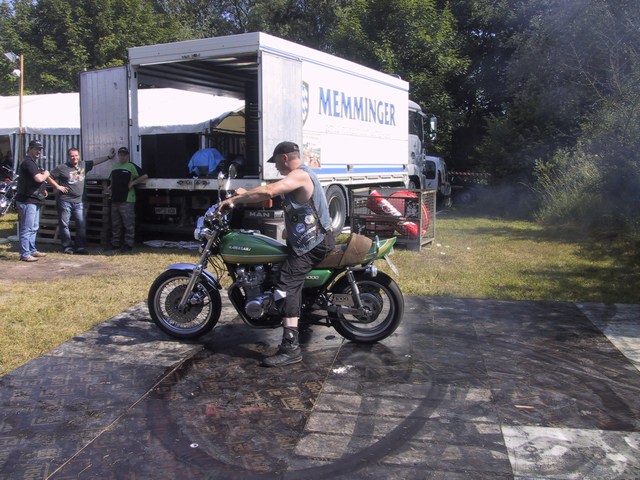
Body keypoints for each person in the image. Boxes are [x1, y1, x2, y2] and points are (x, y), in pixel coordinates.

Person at [218, 141, 334, 367]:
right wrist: (244, 195)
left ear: (284, 157)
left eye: (276, 162)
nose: (276, 166)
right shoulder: (296, 177)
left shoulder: (300, 175)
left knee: (286, 284)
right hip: (308, 241)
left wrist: (234, 200)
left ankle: (291, 349)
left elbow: (270, 190)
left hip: (314, 243)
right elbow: (267, 194)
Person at [50, 147, 116, 254]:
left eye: (76, 155)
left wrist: (108, 157)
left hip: (79, 201)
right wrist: (58, 187)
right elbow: (49, 176)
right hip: (65, 201)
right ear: (68, 156)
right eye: (72, 156)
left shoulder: (83, 165)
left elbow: (95, 161)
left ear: (79, 156)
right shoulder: (62, 167)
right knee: (64, 224)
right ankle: (67, 247)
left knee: (81, 224)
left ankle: (80, 247)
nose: (74, 157)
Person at [15, 140, 58, 261]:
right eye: (36, 149)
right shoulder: (28, 163)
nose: (38, 151)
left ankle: (32, 250)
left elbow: (33, 181)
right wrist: (47, 174)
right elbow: (39, 178)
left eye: (40, 149)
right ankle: (25, 254)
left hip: (34, 199)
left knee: (34, 227)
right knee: (27, 227)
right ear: (29, 149)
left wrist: (42, 190)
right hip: (27, 200)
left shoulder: (34, 163)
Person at [107, 147, 148, 252]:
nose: (123, 156)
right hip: (115, 198)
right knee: (115, 223)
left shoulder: (131, 166)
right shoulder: (115, 167)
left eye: (125, 154)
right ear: (118, 155)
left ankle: (128, 244)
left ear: (127, 155)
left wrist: (133, 183)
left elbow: (145, 176)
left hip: (127, 199)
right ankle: (115, 243)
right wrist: (109, 188)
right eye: (121, 154)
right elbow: (112, 181)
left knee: (128, 223)